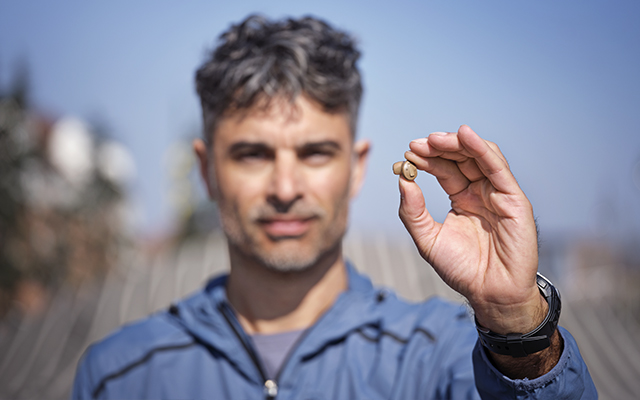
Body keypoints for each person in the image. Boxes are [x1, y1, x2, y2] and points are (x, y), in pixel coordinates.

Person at [71, 15, 597, 399]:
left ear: (357, 166)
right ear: (207, 170)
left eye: (315, 152)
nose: (285, 186)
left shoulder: (448, 358)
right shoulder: (120, 375)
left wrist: (515, 323)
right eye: (252, 154)